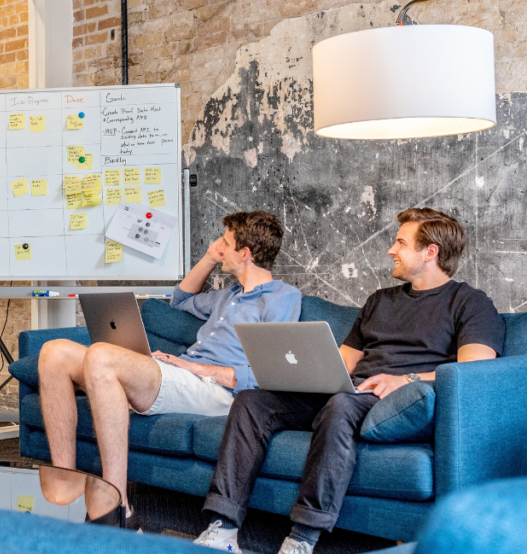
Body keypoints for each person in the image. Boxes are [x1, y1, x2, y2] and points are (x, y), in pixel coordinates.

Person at [195, 208, 505, 554]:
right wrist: (300, 374)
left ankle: (302, 538)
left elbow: (474, 370)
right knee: (253, 401)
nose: (391, 249)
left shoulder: (470, 303)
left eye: (401, 242)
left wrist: (405, 379)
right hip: (352, 390)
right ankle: (222, 528)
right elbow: (342, 361)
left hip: (400, 399)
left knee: (341, 403)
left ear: (430, 252)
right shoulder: (380, 300)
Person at [37, 210, 301, 525]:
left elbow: (266, 375)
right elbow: (180, 299)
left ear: (245, 254)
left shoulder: (282, 299)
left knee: (102, 356)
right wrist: (208, 258)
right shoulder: (226, 296)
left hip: (217, 392)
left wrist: (196, 368)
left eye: (225, 243)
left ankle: (118, 505)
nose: (218, 246)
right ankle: (66, 475)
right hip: (185, 378)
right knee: (53, 352)